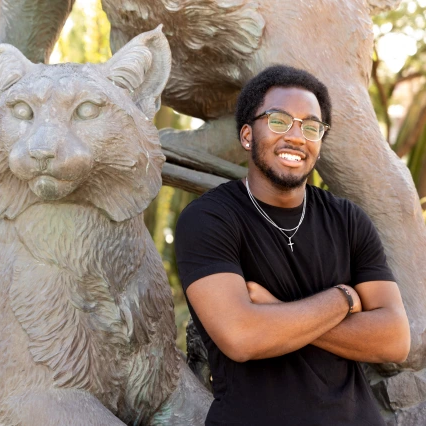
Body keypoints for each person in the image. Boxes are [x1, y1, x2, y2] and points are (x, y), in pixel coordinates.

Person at [174, 65, 411, 426]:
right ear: (248, 135)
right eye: (280, 121)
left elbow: (394, 340)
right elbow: (242, 336)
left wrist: (277, 311)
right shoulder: (208, 219)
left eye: (311, 127)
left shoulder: (347, 219)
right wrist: (343, 299)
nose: (297, 137)